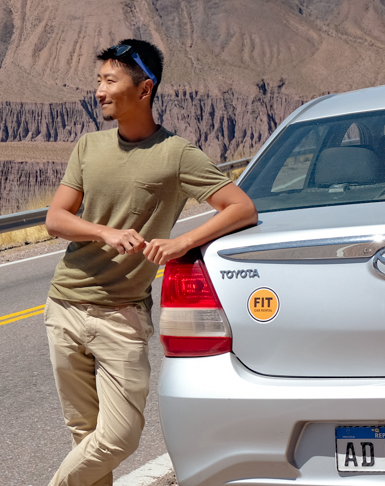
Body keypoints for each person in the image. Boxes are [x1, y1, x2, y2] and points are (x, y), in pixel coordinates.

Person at [43, 39, 258, 486]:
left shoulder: (176, 154)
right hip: (63, 308)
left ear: (144, 89)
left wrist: (182, 243)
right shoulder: (88, 146)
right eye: (98, 81)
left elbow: (241, 207)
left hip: (121, 317)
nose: (99, 91)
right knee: (84, 435)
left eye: (110, 81)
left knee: (119, 438)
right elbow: (56, 219)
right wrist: (104, 232)